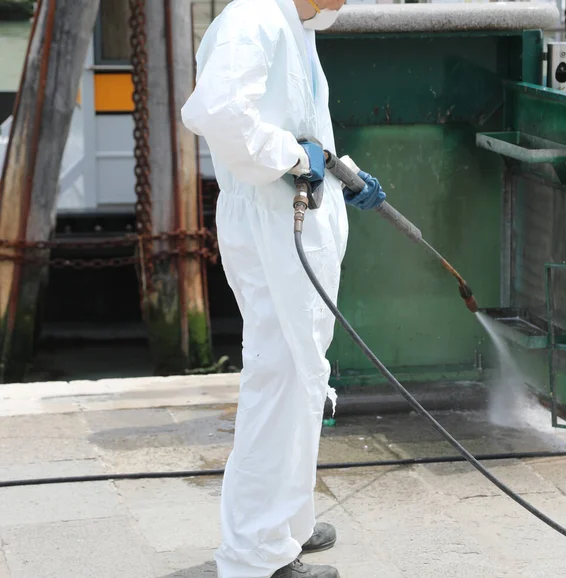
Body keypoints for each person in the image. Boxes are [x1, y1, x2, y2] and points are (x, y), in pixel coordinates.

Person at [181, 1, 386, 577]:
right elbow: (220, 114)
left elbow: (293, 120)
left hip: (288, 214)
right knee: (279, 375)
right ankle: (254, 553)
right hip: (274, 221)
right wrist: (298, 158)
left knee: (299, 373)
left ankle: (286, 523)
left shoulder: (293, 25)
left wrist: (338, 167)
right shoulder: (253, 21)